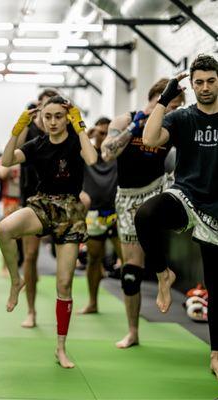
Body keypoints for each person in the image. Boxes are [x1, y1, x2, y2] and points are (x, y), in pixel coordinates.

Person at [0, 96, 97, 368]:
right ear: (41, 119)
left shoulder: (76, 140)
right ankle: (17, 281)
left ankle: (61, 347)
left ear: (66, 118)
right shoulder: (37, 144)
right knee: (5, 228)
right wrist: (16, 131)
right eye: (48, 117)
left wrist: (80, 127)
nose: (52, 122)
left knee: (64, 284)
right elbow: (6, 161)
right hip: (43, 204)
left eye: (58, 116)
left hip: (70, 211)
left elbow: (92, 157)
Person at [135, 54, 218, 377]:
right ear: (192, 84)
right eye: (199, 82)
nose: (205, 87)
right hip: (185, 195)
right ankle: (163, 274)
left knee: (214, 282)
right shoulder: (183, 117)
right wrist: (166, 98)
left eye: (211, 81)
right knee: (146, 214)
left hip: (215, 210)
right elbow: (151, 138)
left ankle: (215, 353)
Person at [101, 78, 185, 349]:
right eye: (171, 105)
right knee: (130, 272)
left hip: (158, 189)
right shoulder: (124, 120)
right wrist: (135, 127)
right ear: (158, 97)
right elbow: (106, 154)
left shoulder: (170, 125)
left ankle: (165, 273)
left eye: (176, 108)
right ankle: (133, 331)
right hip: (127, 197)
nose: (172, 112)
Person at [16, 89, 58, 328]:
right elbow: (15, 150)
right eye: (43, 108)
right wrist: (24, 120)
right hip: (31, 198)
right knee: (30, 256)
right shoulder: (30, 131)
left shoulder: (66, 132)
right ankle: (31, 311)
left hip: (62, 202)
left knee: (65, 261)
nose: (48, 115)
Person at [80, 117, 121, 314]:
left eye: (107, 133)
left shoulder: (117, 153)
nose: (104, 137)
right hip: (94, 213)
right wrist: (89, 133)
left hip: (116, 212)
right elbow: (77, 148)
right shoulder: (88, 155)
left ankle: (134, 306)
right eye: (101, 133)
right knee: (93, 258)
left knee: (129, 261)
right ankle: (92, 302)